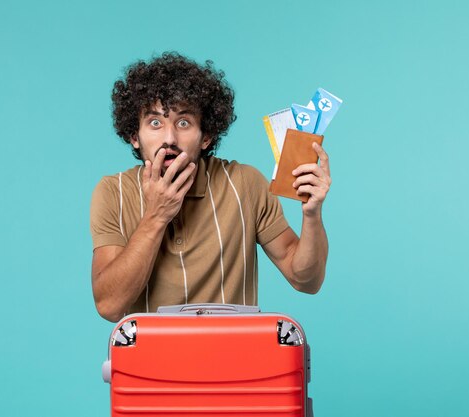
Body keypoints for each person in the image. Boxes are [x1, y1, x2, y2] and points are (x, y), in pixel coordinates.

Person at [90, 52, 331, 322]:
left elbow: (306, 281)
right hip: (149, 362)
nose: (169, 138)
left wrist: (311, 215)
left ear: (206, 136)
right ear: (134, 136)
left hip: (235, 360)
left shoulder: (245, 183)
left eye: (183, 123)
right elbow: (109, 305)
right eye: (155, 122)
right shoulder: (112, 192)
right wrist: (156, 216)